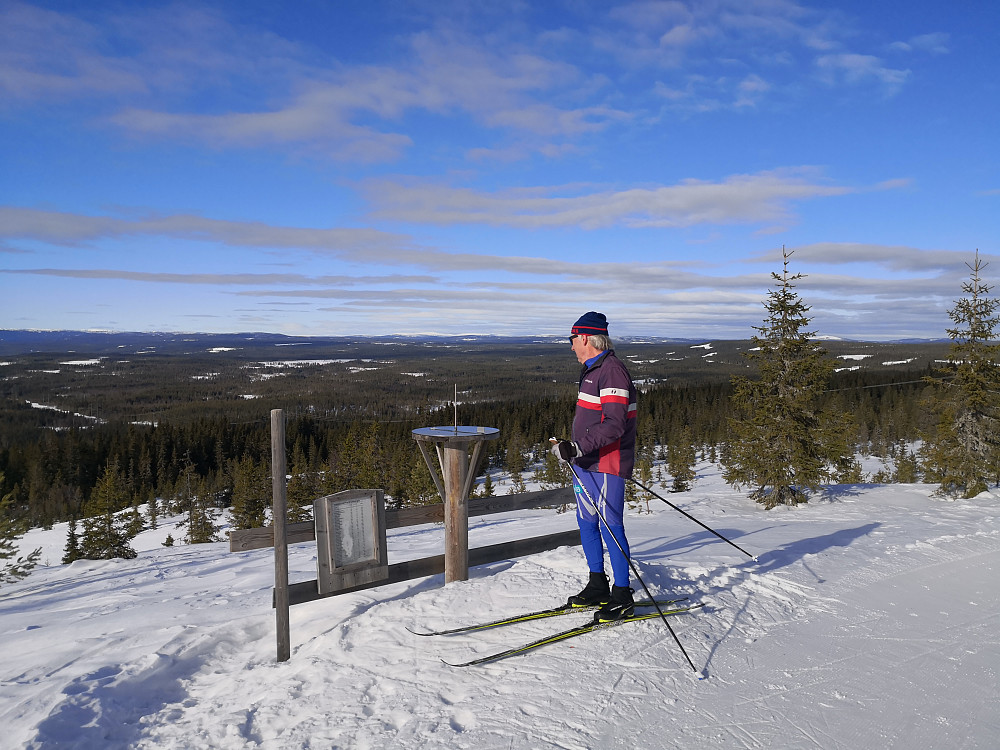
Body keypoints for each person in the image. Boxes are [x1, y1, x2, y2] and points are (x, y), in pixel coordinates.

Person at [550, 311, 638, 622]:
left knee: (611, 525)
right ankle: (598, 584)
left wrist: (576, 446)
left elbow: (615, 425)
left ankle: (622, 593)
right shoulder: (592, 370)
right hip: (586, 462)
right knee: (587, 522)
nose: (571, 346)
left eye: (572, 339)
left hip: (606, 462)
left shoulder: (611, 372)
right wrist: (572, 447)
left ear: (585, 337)